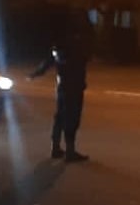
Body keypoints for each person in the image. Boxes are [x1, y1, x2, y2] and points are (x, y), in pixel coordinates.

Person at [29, 14, 93, 162]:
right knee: (72, 117)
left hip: (62, 85)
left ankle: (55, 147)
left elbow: (48, 62)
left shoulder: (59, 45)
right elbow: (84, 59)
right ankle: (70, 151)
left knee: (60, 116)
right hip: (74, 85)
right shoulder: (77, 44)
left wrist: (36, 73)